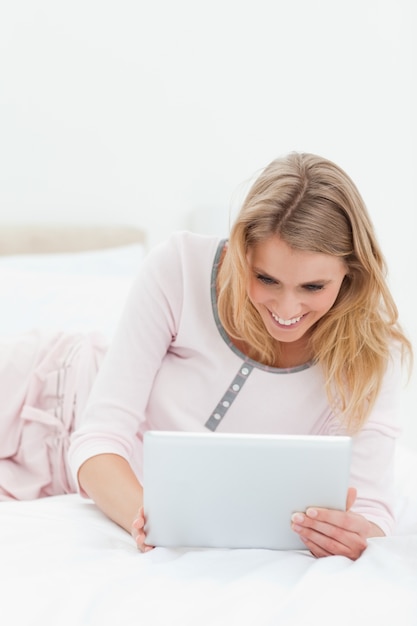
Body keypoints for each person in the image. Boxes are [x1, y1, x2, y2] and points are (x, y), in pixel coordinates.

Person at [1, 152, 412, 560]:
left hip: (86, 483)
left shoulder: (373, 355)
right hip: (39, 395)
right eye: (266, 278)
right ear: (240, 253)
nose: (287, 310)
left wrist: (350, 535)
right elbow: (98, 436)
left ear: (350, 273)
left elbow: (372, 512)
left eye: (313, 287)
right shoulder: (178, 268)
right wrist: (148, 519)